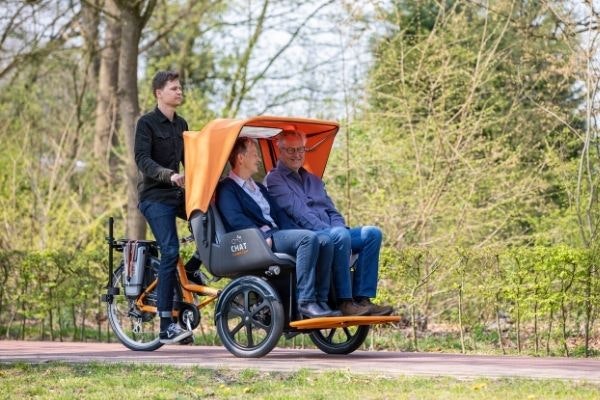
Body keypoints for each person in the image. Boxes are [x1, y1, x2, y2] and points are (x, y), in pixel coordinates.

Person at [265, 129, 394, 316]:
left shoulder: (313, 180)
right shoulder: (275, 179)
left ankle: (362, 299)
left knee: (372, 234)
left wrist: (340, 229)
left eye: (300, 149)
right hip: (304, 235)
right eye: (291, 150)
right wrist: (334, 233)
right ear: (280, 151)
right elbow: (300, 214)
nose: (297, 154)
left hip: (332, 232)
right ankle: (344, 301)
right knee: (340, 235)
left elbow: (332, 210)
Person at [216, 137, 341, 318]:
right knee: (308, 239)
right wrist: (258, 235)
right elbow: (235, 219)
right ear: (241, 158)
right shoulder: (228, 189)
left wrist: (297, 231)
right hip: (258, 240)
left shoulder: (259, 188)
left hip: (278, 234)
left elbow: (279, 215)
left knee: (324, 239)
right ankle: (306, 302)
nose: (259, 159)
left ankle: (321, 300)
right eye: (254, 155)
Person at [134, 70, 196, 344]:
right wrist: (168, 175)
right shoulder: (146, 123)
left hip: (177, 193)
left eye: (180, 88)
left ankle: (192, 269)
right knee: (170, 249)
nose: (179, 92)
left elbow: (191, 161)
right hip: (155, 196)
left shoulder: (181, 124)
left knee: (215, 218)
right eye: (174, 88)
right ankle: (165, 324)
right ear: (159, 93)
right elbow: (142, 159)